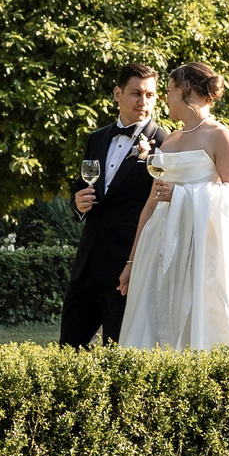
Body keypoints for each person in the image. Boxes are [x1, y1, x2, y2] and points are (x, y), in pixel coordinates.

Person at [115, 61, 229, 352]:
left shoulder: (220, 136)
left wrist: (183, 195)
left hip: (200, 250)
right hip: (158, 248)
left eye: (169, 90)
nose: (165, 98)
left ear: (184, 91)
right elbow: (151, 205)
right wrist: (132, 262)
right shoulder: (169, 141)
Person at [58, 62, 166, 347]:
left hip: (127, 269)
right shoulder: (97, 139)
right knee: (68, 348)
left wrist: (134, 264)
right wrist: (78, 204)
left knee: (117, 355)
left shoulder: (164, 143)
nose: (143, 102)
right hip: (87, 265)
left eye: (150, 95)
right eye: (135, 93)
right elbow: (83, 186)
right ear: (117, 93)